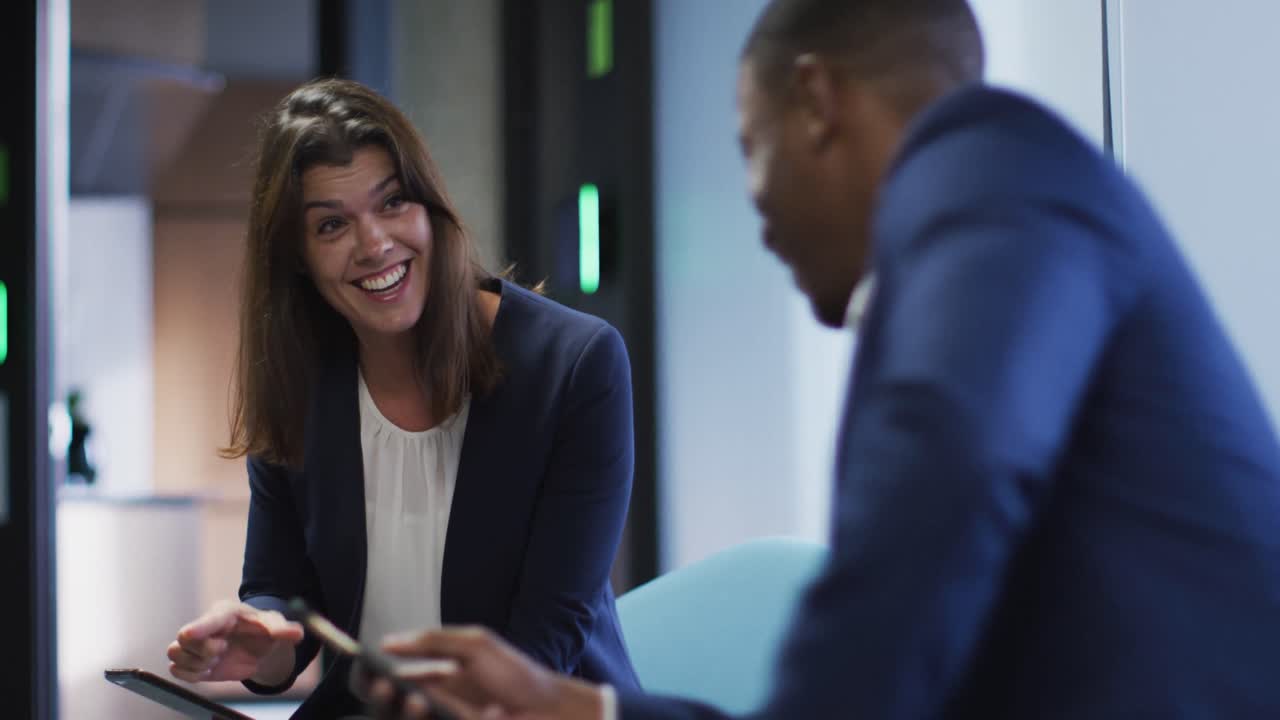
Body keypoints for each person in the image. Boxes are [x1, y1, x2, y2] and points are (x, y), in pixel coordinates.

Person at [367, 0, 1280, 718]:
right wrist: (581, 710)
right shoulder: (990, 215)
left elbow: (953, 458)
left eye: (751, 148)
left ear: (816, 100)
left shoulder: (992, 174)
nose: (757, 208)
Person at [164, 78, 640, 718]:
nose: (374, 244)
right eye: (332, 225)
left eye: (392, 203)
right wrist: (262, 647)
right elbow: (281, 594)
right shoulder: (297, 383)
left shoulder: (576, 366)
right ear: (298, 257)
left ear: (430, 209)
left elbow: (546, 639)